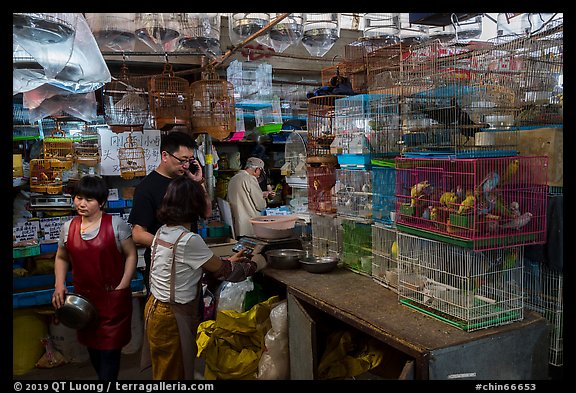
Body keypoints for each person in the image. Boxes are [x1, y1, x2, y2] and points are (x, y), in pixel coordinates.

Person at [141, 175, 259, 380]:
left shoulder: (163, 231)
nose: (208, 201)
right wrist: (258, 262)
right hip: (172, 315)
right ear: (193, 204)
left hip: (155, 308)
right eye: (203, 196)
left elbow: (189, 267)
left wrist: (228, 260)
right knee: (172, 373)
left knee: (168, 369)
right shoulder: (189, 239)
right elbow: (227, 272)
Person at [52, 175, 138, 380]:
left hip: (112, 301)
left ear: (101, 202)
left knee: (109, 354)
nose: (82, 203)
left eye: (89, 199)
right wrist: (59, 284)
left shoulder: (117, 225)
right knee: (94, 352)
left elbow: (131, 254)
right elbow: (62, 256)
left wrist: (124, 283)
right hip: (83, 302)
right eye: (79, 197)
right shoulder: (68, 228)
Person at [128, 131, 207, 287]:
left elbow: (206, 212)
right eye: (182, 160)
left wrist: (199, 183)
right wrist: (174, 246)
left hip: (190, 264)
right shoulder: (146, 188)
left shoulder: (187, 180)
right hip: (163, 268)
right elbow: (138, 234)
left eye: (190, 160)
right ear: (165, 156)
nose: (186, 166)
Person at [227, 156, 276, 238]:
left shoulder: (234, 178)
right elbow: (260, 205)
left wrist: (262, 193)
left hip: (236, 225)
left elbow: (243, 195)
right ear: (257, 169)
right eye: (260, 171)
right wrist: (264, 197)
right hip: (248, 226)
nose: (259, 175)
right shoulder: (250, 178)